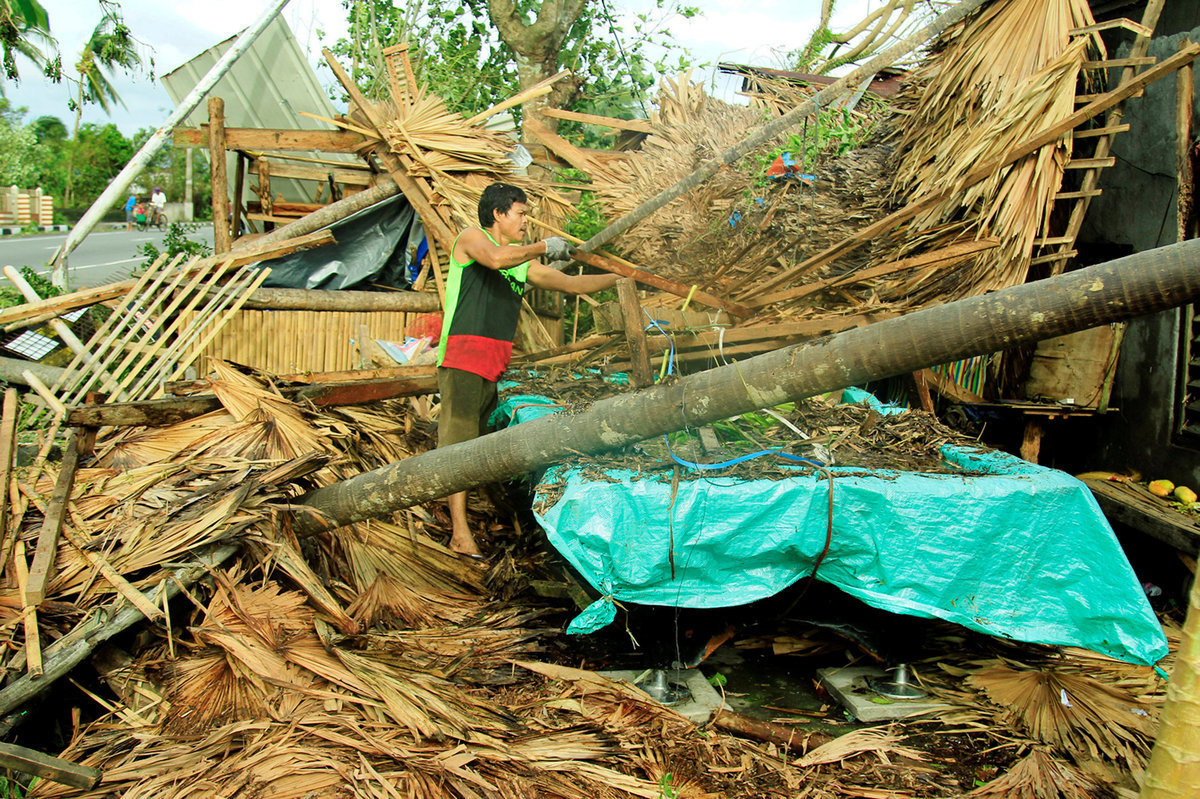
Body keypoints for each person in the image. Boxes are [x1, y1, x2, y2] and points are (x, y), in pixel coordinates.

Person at [437, 182, 618, 559]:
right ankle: (458, 533)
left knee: (474, 444)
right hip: (462, 358)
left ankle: (471, 521)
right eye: (520, 213)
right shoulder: (472, 239)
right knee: (456, 446)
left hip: (491, 363)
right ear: (498, 215)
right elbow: (496, 259)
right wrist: (542, 247)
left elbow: (569, 282)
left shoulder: (521, 265)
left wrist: (621, 278)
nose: (525, 221)